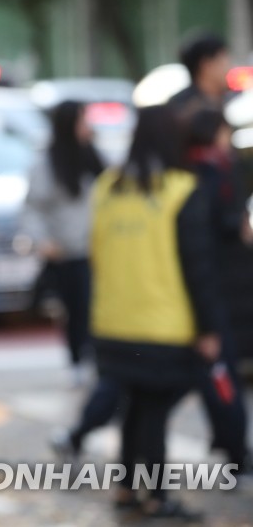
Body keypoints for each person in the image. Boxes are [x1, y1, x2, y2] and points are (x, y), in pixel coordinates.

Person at [90, 104, 220, 519]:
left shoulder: (108, 187)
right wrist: (209, 328)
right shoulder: (180, 190)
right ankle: (156, 497)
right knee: (154, 410)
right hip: (164, 324)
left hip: (113, 322)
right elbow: (198, 268)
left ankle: (128, 488)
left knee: (134, 406)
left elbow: (96, 253)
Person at [185, 108, 251, 473]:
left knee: (213, 371)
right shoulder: (215, 172)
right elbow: (225, 225)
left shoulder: (193, 170)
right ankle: (234, 449)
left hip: (217, 287)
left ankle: (229, 442)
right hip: (219, 288)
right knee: (219, 370)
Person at [21, 100, 104, 378]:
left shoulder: (95, 156)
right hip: (68, 252)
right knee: (77, 309)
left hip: (101, 250)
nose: (88, 127)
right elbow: (32, 208)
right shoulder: (47, 163)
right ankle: (79, 360)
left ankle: (98, 358)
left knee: (100, 308)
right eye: (82, 120)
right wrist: (42, 241)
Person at [169, 33, 231, 115]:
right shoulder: (181, 108)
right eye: (224, 62)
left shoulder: (234, 100)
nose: (229, 68)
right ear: (207, 65)